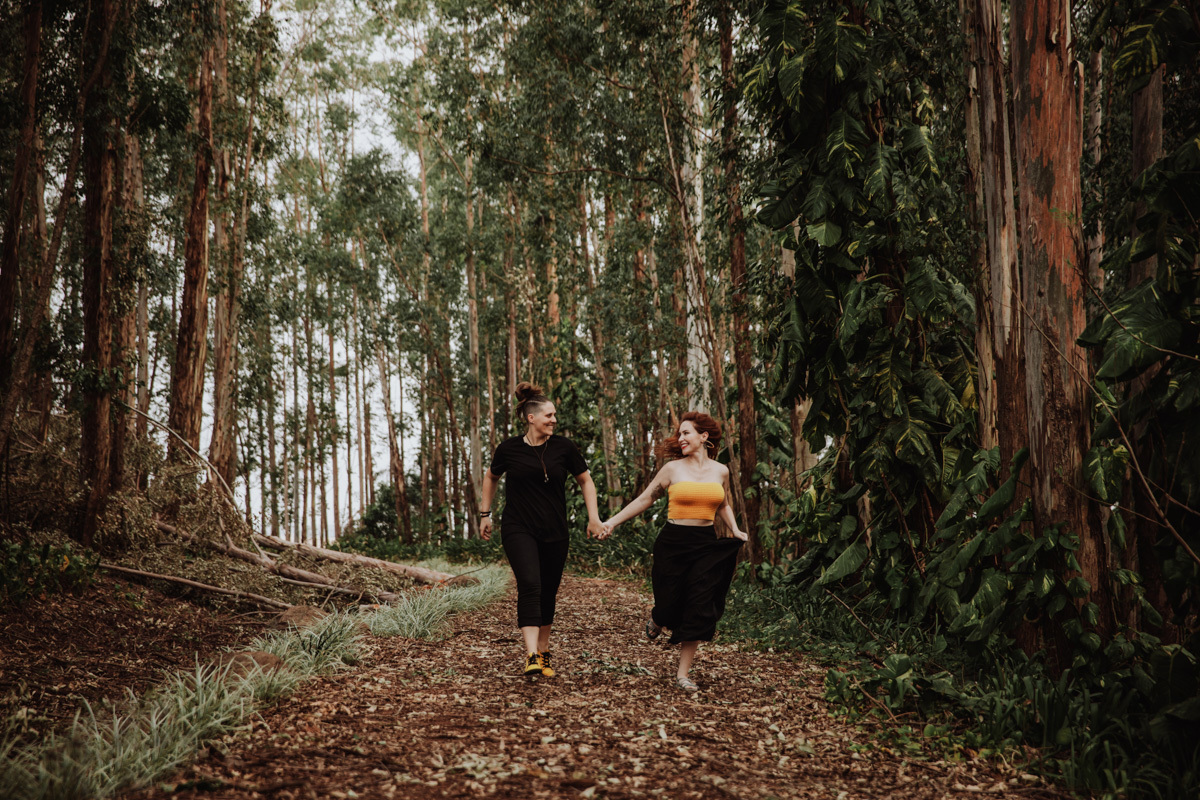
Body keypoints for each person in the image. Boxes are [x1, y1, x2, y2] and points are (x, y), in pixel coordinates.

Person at [599, 411, 748, 692]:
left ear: (704, 437)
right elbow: (645, 499)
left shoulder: (721, 471)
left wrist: (735, 529)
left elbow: (723, 504)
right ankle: (658, 618)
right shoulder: (672, 470)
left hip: (705, 542)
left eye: (686, 433)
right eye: (679, 434)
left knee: (698, 606)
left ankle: (683, 674)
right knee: (668, 605)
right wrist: (611, 522)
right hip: (673, 543)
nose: (680, 438)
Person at [480, 381, 605, 678]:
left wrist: (593, 518)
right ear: (531, 417)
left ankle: (545, 651)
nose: (554, 420)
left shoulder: (563, 447)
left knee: (548, 591)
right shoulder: (508, 448)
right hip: (517, 527)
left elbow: (586, 480)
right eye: (549, 415)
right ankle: (531, 654)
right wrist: (485, 513)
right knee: (531, 584)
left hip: (555, 530)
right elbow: (491, 476)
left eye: (555, 416)